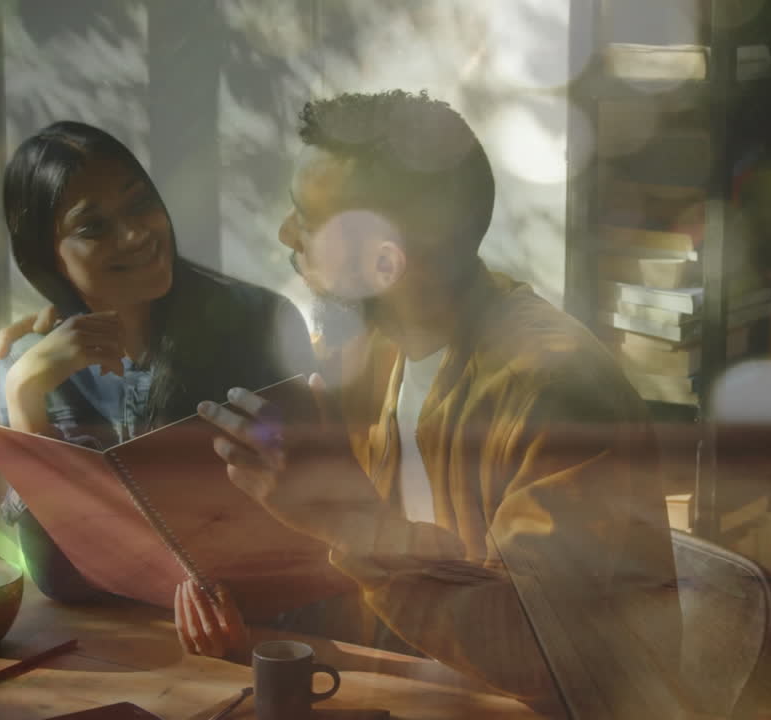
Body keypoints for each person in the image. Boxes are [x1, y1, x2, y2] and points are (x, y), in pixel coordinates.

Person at [194, 91, 685, 715]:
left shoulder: (557, 392)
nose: (286, 234)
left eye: (309, 221)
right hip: (419, 691)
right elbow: (365, 567)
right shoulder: (373, 350)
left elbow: (538, 650)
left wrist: (340, 515)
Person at [0, 120, 314, 660]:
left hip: (266, 644)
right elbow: (57, 576)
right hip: (101, 654)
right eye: (93, 227)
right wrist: (23, 397)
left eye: (139, 203)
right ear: (48, 257)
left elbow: (313, 528)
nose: (135, 235)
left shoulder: (258, 322)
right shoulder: (31, 366)